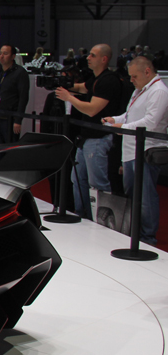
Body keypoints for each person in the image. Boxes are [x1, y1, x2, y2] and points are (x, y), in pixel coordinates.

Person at [102, 57, 168, 245]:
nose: (131, 80)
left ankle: (148, 237)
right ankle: (135, 231)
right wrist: (115, 119)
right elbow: (130, 115)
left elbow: (151, 122)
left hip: (146, 150)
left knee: (145, 196)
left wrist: (123, 126)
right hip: (131, 150)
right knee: (133, 194)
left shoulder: (159, 91)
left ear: (147, 71)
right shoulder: (141, 89)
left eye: (134, 76)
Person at [55, 44, 122, 219]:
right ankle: (83, 215)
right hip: (87, 138)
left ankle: (102, 220)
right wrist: (65, 85)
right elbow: (82, 87)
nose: (88, 58)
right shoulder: (97, 79)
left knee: (97, 182)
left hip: (99, 138)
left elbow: (92, 109)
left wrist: (69, 98)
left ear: (104, 59)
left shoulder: (108, 81)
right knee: (78, 179)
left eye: (92, 55)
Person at [0, 45, 30, 144]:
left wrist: (18, 120)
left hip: (10, 119)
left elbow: (23, 98)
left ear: (13, 56)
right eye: (0, 53)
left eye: (5, 53)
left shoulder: (20, 73)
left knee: (9, 148)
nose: (2, 56)